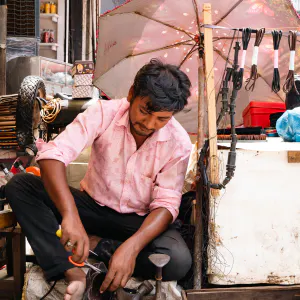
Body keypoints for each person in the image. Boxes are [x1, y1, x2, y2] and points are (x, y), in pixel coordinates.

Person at [5, 59, 193, 300]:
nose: (149, 124)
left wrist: (131, 248)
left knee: (176, 260)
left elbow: (167, 204)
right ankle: (72, 271)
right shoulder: (104, 113)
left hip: (138, 222)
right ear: (131, 93)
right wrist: (70, 215)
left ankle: (100, 247)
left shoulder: (179, 143)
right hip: (92, 209)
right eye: (145, 111)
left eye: (161, 119)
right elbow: (52, 155)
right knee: (21, 186)